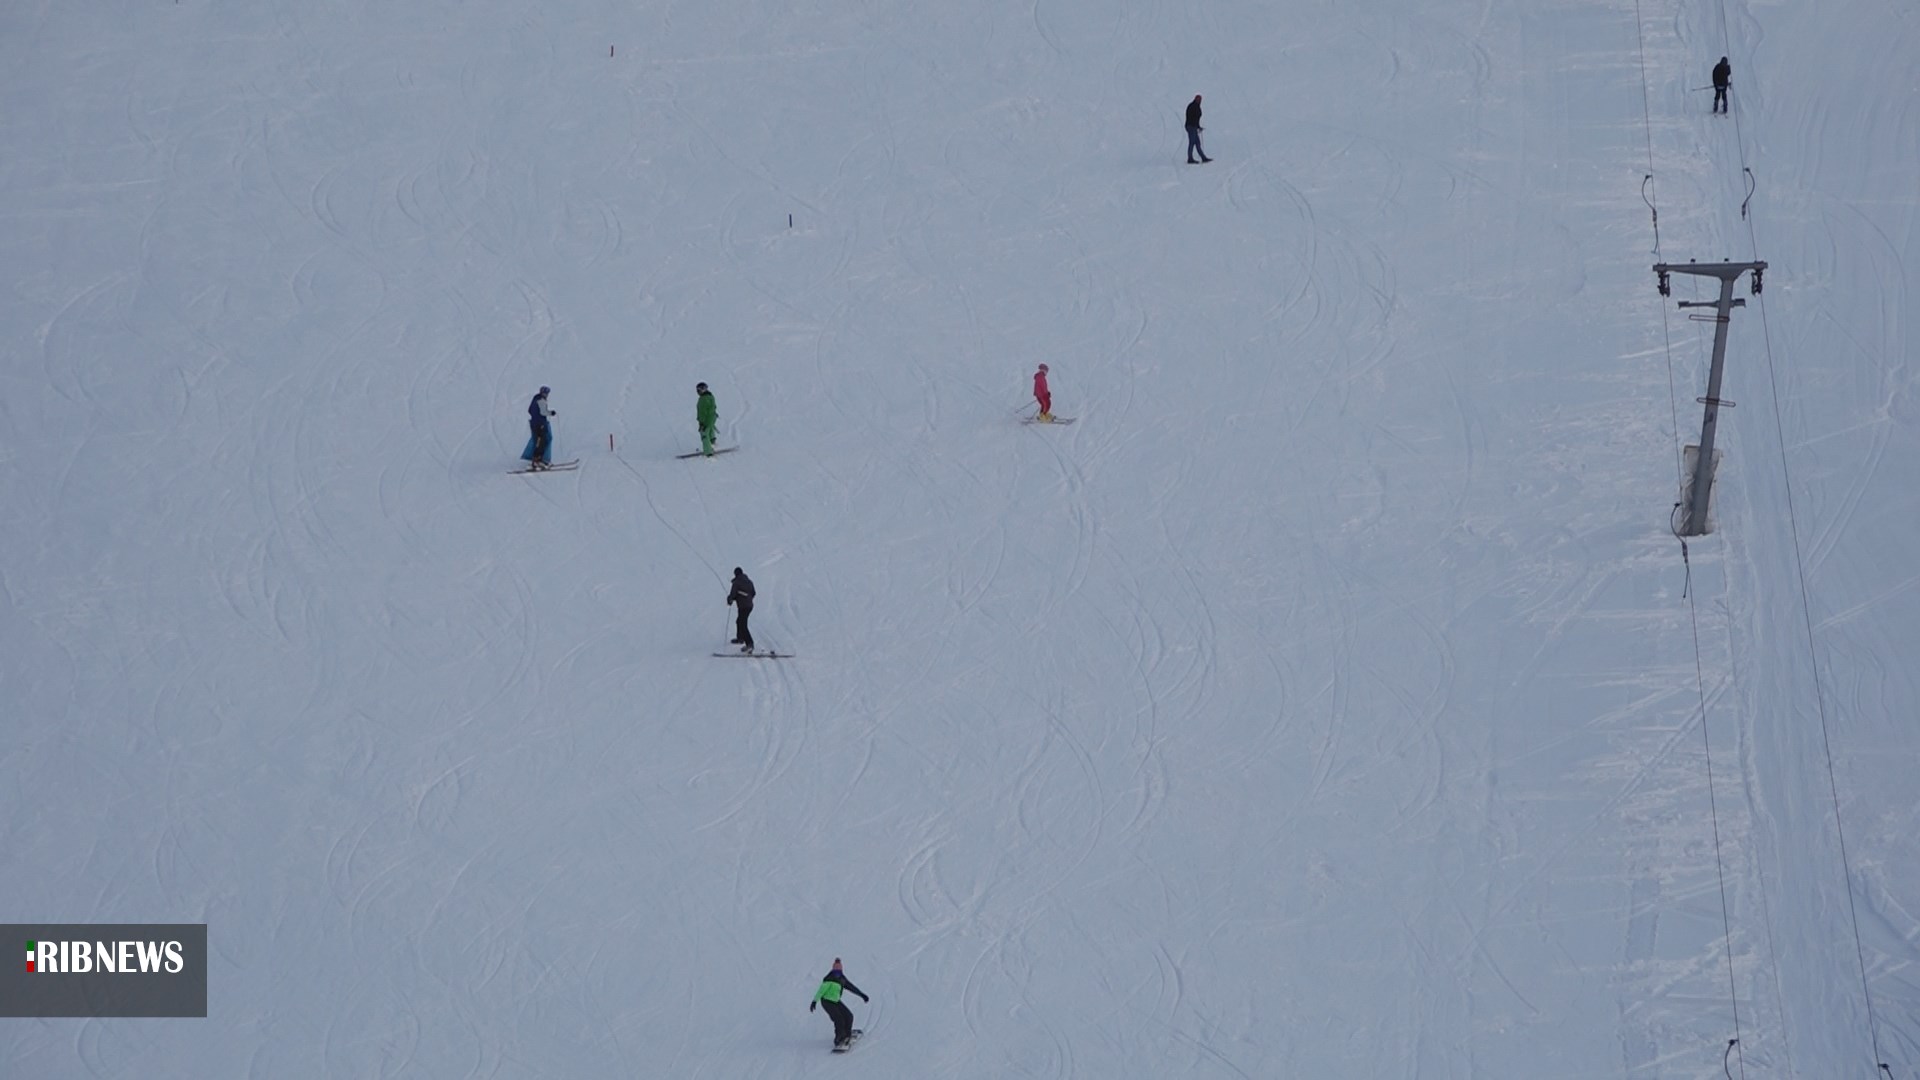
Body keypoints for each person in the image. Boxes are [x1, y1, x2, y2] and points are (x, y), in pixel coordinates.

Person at [808, 958, 869, 1050]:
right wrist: (814, 1001)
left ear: (841, 971)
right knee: (839, 1019)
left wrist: (862, 995)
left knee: (849, 1016)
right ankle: (839, 1039)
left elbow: (851, 987)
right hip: (827, 1002)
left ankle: (847, 1034)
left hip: (836, 1001)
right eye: (835, 971)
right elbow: (821, 991)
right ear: (832, 970)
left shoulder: (842, 979)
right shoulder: (829, 979)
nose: (837, 974)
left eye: (839, 972)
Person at [524, 387, 556, 468]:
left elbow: (530, 410)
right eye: (545, 393)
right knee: (542, 441)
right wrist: (551, 413)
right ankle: (537, 460)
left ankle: (538, 459)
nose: (546, 395)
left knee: (538, 441)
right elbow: (543, 412)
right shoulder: (541, 401)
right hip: (540, 424)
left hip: (534, 423)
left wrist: (535, 416)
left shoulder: (535, 398)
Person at [727, 567, 756, 653]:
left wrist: (730, 600)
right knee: (739, 621)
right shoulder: (749, 581)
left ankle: (750, 644)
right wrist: (747, 598)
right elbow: (753, 593)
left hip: (743, 606)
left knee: (743, 624)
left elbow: (733, 594)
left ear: (736, 574)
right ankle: (740, 638)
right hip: (749, 605)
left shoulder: (736, 583)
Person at [1184, 94, 1211, 164]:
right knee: (1192, 142)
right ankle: (1190, 159)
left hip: (1193, 127)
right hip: (1191, 127)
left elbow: (1196, 119)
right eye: (1198, 99)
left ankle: (1203, 158)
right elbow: (1192, 118)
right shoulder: (1193, 106)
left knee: (1197, 143)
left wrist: (1198, 126)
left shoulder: (1196, 107)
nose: (1199, 101)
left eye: (1200, 100)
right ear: (1195, 99)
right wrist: (1196, 126)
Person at [696, 382, 718, 456]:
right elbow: (713, 407)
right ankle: (712, 441)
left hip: (706, 420)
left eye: (700, 389)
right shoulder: (710, 396)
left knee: (704, 433)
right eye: (698, 390)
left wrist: (701, 422)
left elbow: (702, 412)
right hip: (712, 417)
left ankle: (708, 452)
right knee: (710, 428)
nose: (698, 392)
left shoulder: (703, 399)